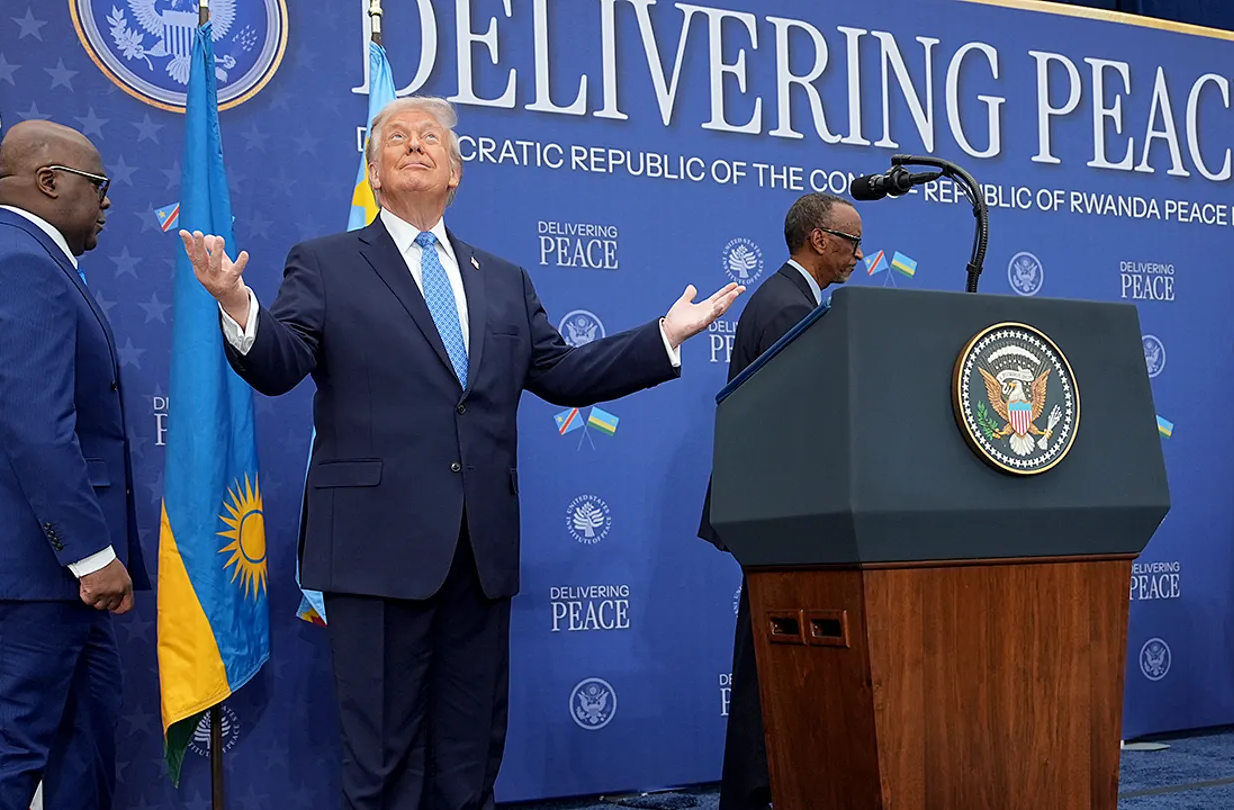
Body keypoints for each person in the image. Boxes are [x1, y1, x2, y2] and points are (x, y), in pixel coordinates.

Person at [178, 94, 743, 810]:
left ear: (456, 172)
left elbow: (563, 374)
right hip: (374, 554)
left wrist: (664, 333)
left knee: (468, 759)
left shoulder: (502, 279)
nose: (415, 146)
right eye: (397, 139)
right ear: (375, 173)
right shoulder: (324, 264)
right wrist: (236, 304)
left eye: (431, 140)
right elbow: (281, 361)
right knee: (381, 762)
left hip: (479, 555)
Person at [0, 120, 150, 810]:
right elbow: (38, 429)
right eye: (98, 187)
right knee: (9, 763)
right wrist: (92, 554)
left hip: (45, 571)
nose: (107, 203)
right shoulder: (17, 264)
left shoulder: (20, 259)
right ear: (49, 182)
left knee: (81, 752)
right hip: (29, 568)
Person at [697, 192, 864, 810]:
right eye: (851, 243)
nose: (858, 257)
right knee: (769, 657)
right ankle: (758, 785)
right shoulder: (789, 308)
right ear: (819, 239)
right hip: (784, 514)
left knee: (767, 653)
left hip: (777, 511)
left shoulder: (786, 300)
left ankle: (763, 783)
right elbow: (803, 420)